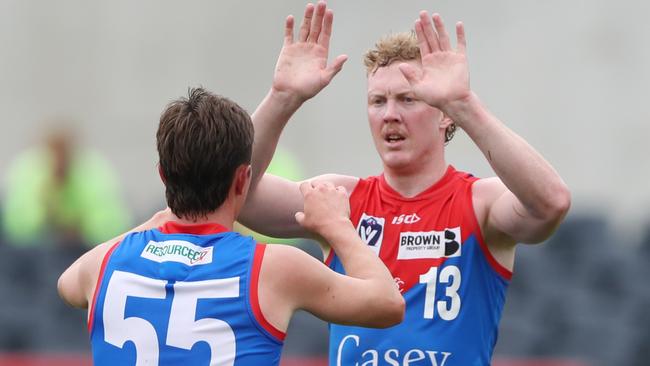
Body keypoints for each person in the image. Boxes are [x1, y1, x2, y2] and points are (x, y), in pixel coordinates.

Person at [240, 2, 571, 365]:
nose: (390, 114)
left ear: (445, 115)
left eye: (407, 99)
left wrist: (464, 104)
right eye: (377, 101)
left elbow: (551, 202)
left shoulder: (479, 201)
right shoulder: (342, 200)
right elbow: (237, 194)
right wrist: (282, 99)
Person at [57, 88, 404, 365]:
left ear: (163, 174)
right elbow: (388, 304)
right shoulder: (272, 268)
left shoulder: (103, 263)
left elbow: (66, 284)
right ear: (244, 180)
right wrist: (337, 226)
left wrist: (159, 218)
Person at [2, 123, 131, 248]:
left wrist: (79, 227)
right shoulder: (28, 168)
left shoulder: (92, 170)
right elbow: (16, 226)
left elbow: (114, 224)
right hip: (37, 250)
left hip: (83, 248)